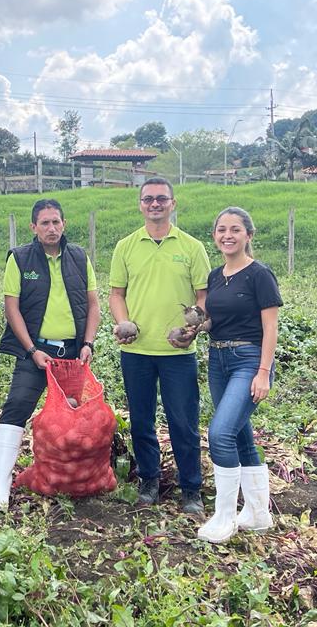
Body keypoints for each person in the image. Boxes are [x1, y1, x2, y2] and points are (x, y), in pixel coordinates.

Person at [0, 199, 101, 511]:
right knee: (16, 409)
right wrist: (31, 350)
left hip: (72, 355)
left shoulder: (79, 257)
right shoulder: (21, 258)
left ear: (64, 224)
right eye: (44, 223)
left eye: (56, 222)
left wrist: (88, 343)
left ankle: (72, 481)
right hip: (36, 352)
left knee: (75, 418)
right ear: (33, 228)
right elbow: (12, 308)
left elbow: (93, 304)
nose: (51, 228)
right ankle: (1, 485)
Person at [109, 177, 211, 513]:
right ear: (140, 204)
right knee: (141, 420)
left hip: (178, 353)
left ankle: (191, 488)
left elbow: (203, 296)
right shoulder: (126, 246)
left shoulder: (191, 247)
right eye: (149, 199)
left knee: (183, 421)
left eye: (162, 199)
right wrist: (124, 322)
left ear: (173, 203)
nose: (155, 204)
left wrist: (191, 328)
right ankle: (149, 482)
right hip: (136, 351)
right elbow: (117, 294)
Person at [197, 206, 282, 544]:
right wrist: (195, 327)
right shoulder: (216, 276)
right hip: (218, 359)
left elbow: (271, 326)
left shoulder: (259, 274)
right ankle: (259, 513)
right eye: (221, 230)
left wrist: (263, 372)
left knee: (219, 434)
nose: (227, 235)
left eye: (234, 229)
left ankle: (225, 516)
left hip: (249, 359)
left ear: (249, 234)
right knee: (239, 434)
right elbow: (214, 319)